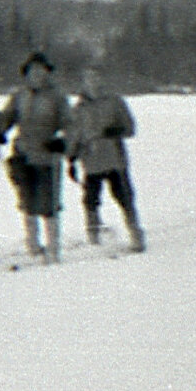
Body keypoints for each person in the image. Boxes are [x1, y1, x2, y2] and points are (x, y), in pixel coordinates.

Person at [0, 52, 73, 262]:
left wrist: (63, 141)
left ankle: (53, 248)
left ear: (48, 73)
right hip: (23, 154)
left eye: (41, 71)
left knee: (49, 204)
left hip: (48, 155)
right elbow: (6, 118)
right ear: (26, 74)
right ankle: (33, 245)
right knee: (27, 202)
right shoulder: (19, 96)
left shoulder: (57, 96)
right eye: (32, 71)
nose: (37, 75)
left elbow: (71, 124)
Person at [67, 64, 146, 253]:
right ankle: (93, 238)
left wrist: (117, 130)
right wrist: (71, 157)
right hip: (91, 161)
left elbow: (130, 128)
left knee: (124, 197)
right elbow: (74, 135)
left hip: (114, 159)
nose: (93, 82)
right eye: (88, 78)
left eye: (96, 77)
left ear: (102, 79)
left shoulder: (114, 102)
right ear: (83, 82)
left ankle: (136, 234)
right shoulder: (79, 108)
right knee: (90, 200)